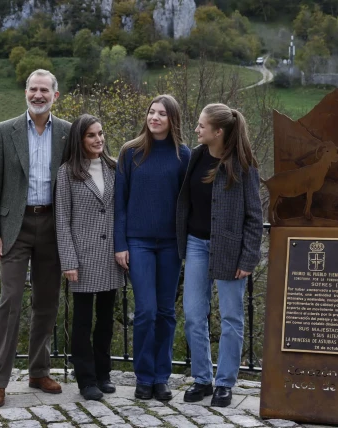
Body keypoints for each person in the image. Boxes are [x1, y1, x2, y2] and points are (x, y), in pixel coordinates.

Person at [0, 69, 72, 408]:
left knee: (47, 303)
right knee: (10, 302)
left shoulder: (66, 132)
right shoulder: (5, 131)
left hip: (52, 225)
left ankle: (39, 370)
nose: (38, 95)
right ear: (25, 93)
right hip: (14, 229)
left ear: (55, 95)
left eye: (44, 90)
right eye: (33, 89)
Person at [176, 103, 263, 406]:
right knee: (193, 316)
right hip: (196, 245)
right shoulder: (196, 156)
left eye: (201, 126)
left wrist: (248, 258)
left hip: (230, 251)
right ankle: (202, 379)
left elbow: (254, 217)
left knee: (231, 318)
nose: (197, 129)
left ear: (218, 131)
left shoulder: (244, 165)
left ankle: (225, 383)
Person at [114, 94, 191, 401]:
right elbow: (119, 204)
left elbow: (188, 203)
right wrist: (121, 244)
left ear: (172, 119)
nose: (154, 117)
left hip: (171, 244)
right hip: (139, 242)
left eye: (162, 113)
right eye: (151, 112)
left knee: (166, 311)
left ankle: (162, 378)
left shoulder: (183, 155)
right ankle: (143, 377)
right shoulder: (130, 152)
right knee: (145, 311)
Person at [55, 114, 125, 401]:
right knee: (82, 322)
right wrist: (69, 260)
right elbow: (62, 220)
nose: (99, 139)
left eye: (101, 134)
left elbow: (121, 212)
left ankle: (103, 373)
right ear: (80, 140)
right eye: (91, 135)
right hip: (82, 260)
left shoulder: (114, 168)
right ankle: (86, 379)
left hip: (111, 257)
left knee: (106, 320)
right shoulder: (67, 172)